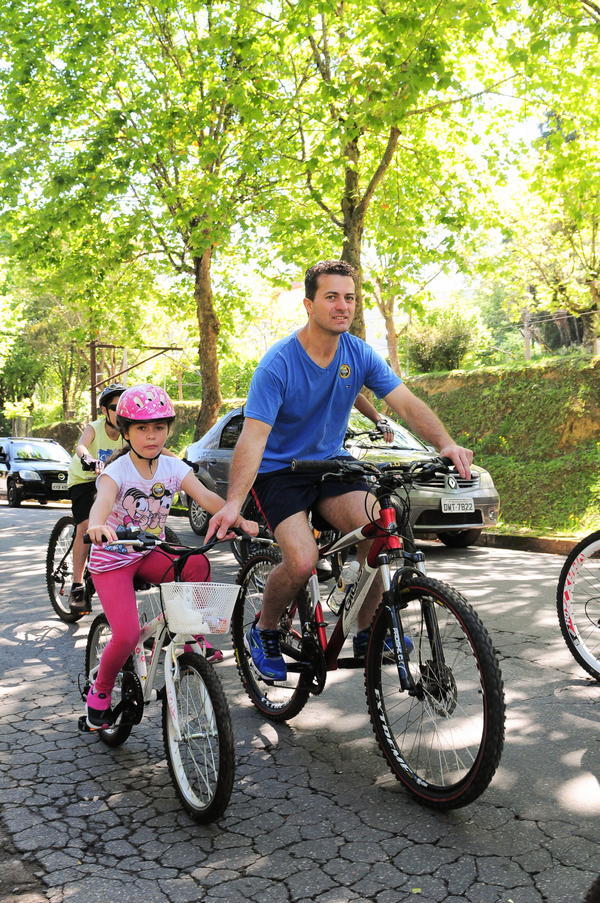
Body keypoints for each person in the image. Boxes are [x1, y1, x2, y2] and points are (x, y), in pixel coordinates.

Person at [208, 259, 473, 681]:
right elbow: (253, 438)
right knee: (302, 559)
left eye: (349, 297)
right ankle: (266, 629)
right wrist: (234, 503)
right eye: (331, 297)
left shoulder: (358, 353)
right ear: (309, 304)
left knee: (381, 532)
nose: (342, 306)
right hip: (280, 472)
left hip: (332, 466)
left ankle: (367, 629)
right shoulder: (278, 363)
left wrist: (445, 443)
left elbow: (404, 403)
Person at [84, 383, 257, 729]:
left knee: (195, 562)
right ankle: (100, 689)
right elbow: (101, 504)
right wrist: (97, 525)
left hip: (149, 551)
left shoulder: (173, 467)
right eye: (142, 428)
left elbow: (207, 498)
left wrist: (236, 518)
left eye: (159, 427)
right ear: (126, 432)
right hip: (113, 559)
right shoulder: (116, 472)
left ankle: (190, 634)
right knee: (127, 634)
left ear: (168, 429)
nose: (152, 436)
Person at [66, 384, 127, 615]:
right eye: (115, 407)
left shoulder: (128, 431)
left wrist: (181, 461)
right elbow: (81, 445)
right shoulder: (95, 427)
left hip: (110, 481)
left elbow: (155, 448)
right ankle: (77, 584)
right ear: (104, 410)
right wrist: (89, 459)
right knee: (85, 526)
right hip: (84, 479)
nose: (120, 413)